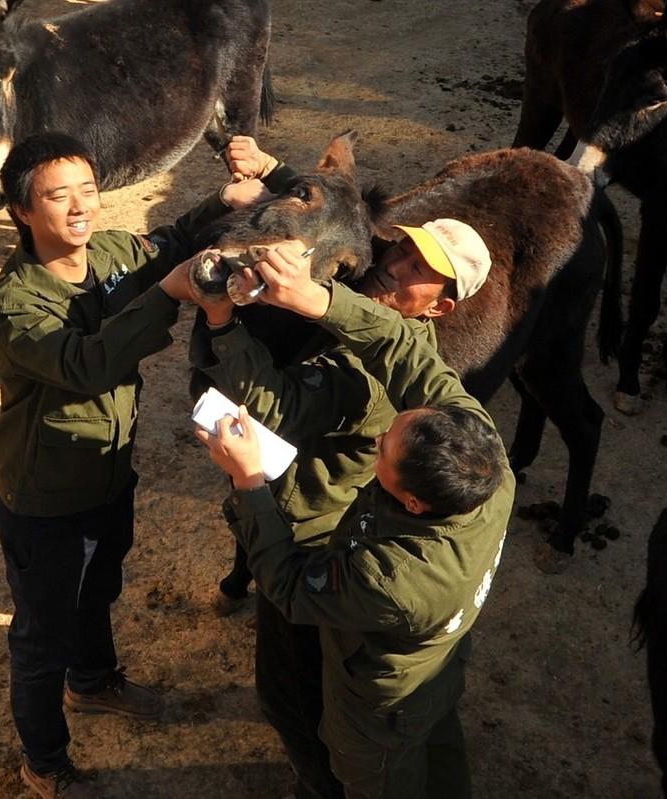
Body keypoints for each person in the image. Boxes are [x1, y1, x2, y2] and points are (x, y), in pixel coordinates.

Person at [183, 137, 494, 799]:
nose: (393, 263)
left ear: (439, 308)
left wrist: (218, 317)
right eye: (402, 246)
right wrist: (279, 174)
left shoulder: (371, 389)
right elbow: (381, 327)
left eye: (417, 270)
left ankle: (318, 783)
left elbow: (274, 403)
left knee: (290, 696)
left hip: (303, 532)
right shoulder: (450, 407)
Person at [0, 131, 267, 799]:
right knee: (39, 640)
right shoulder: (17, 303)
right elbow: (85, 363)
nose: (81, 206)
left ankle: (94, 681)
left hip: (108, 474)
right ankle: (45, 763)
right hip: (45, 499)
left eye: (89, 189)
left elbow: (162, 247)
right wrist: (168, 296)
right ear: (23, 210)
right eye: (59, 195)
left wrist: (219, 201)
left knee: (98, 587)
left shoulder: (105, 252)